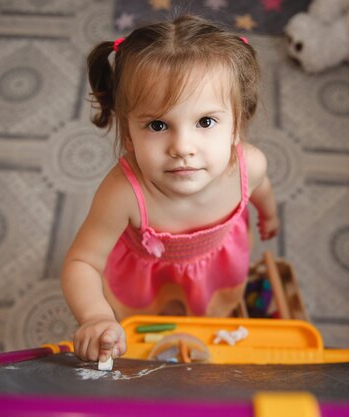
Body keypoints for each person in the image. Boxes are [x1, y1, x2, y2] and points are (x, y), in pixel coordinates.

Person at [61, 15, 280, 363]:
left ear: (237, 124)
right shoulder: (123, 193)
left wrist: (268, 215)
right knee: (148, 320)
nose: (183, 146)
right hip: (144, 279)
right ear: (128, 133)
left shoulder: (248, 165)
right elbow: (81, 261)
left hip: (216, 267)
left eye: (206, 121)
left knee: (208, 311)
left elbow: (261, 189)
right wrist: (95, 316)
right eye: (158, 124)